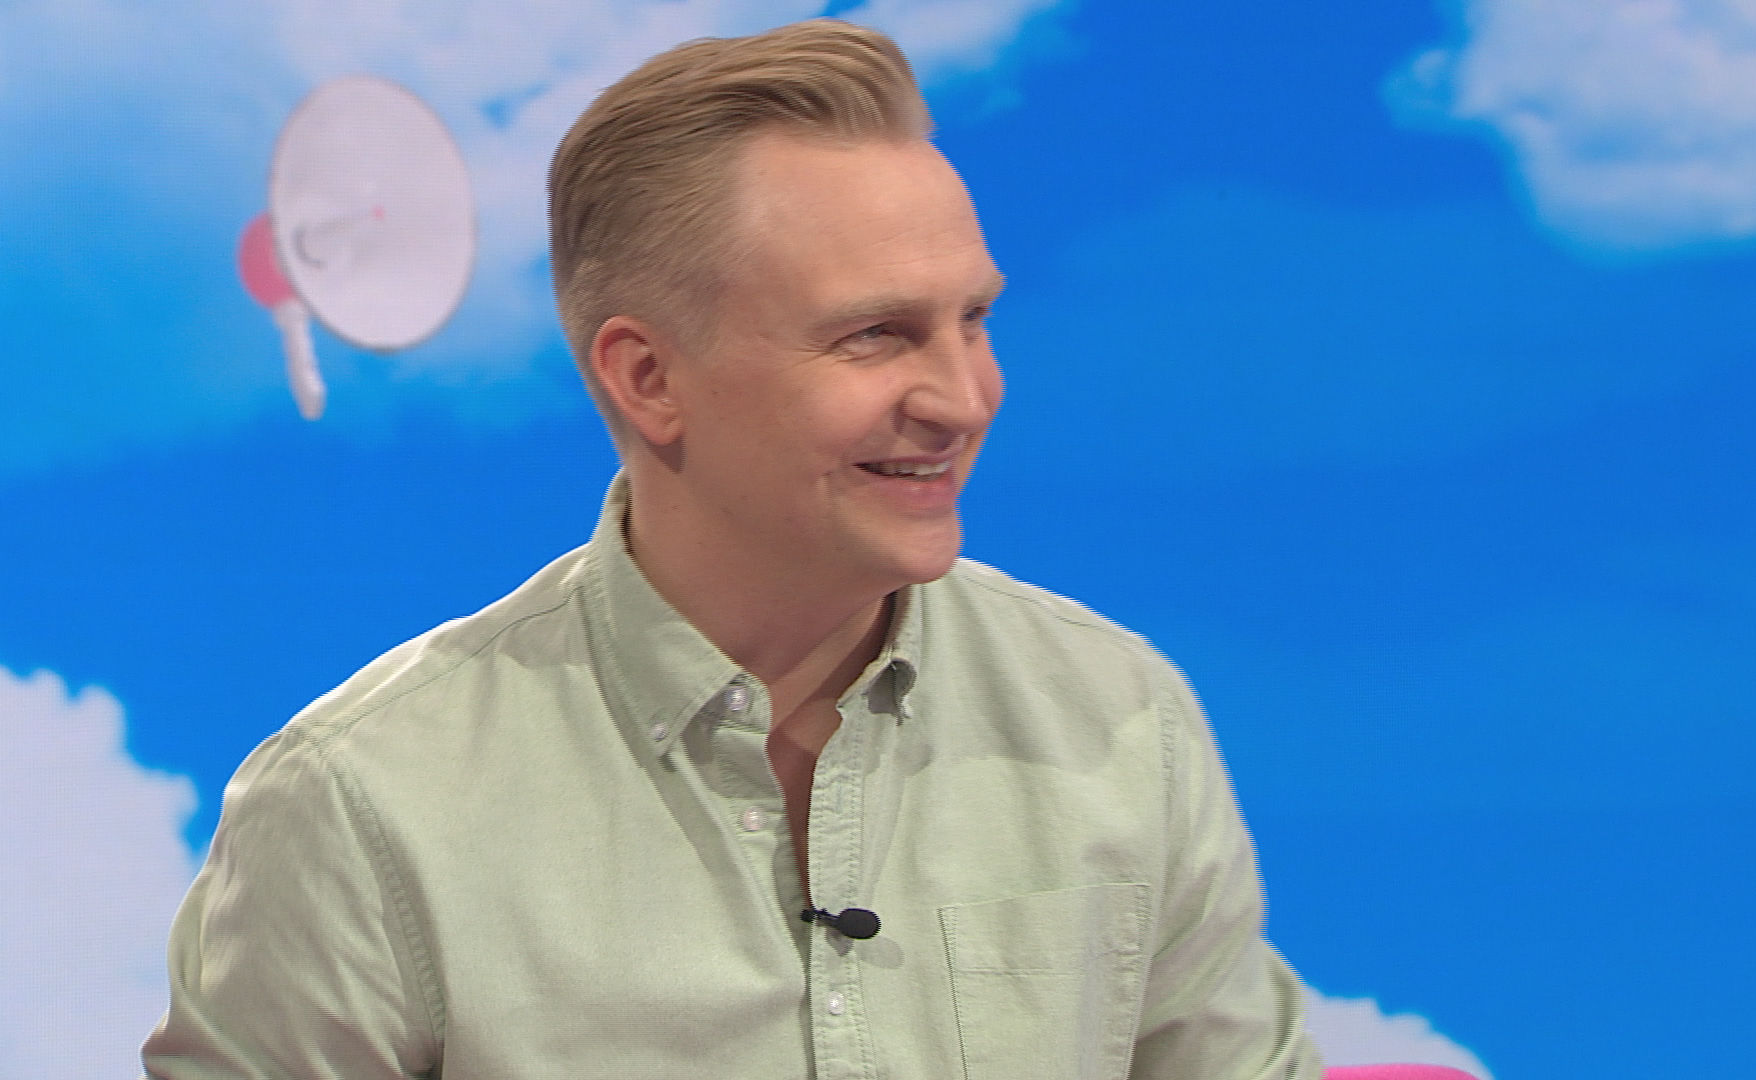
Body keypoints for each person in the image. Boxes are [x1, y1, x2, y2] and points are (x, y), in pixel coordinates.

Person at [144, 19, 1322, 1079]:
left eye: (973, 320)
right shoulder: (362, 806)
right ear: (648, 378)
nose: (963, 400)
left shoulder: (1123, 722)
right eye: (877, 335)